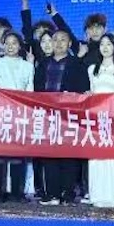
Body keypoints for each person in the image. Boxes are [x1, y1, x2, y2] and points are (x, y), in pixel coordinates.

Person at [34, 28, 90, 205]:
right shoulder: (43, 63)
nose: (58, 43)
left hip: (69, 115)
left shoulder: (77, 64)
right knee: (49, 155)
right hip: (47, 115)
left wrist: (71, 96)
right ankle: (52, 194)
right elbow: (36, 89)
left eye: (63, 40)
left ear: (70, 43)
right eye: (55, 40)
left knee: (69, 154)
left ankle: (68, 193)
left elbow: (84, 90)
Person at [0, 31, 34, 202]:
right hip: (0, 112)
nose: (11, 46)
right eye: (7, 43)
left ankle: (16, 192)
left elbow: (30, 91)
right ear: (3, 45)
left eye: (14, 43)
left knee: (17, 153)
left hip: (20, 113)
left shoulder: (28, 66)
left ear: (20, 46)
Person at [86, 35, 114, 208]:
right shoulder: (92, 69)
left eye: (109, 44)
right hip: (96, 119)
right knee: (96, 157)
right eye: (102, 44)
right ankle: (96, 195)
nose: (105, 47)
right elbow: (92, 91)